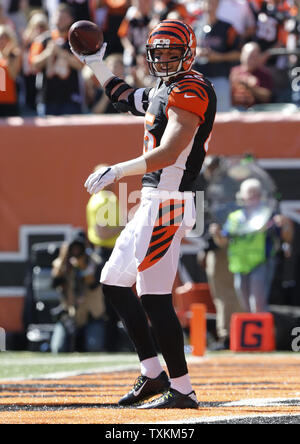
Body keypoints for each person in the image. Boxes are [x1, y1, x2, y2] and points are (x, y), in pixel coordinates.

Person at [71, 19, 216, 408]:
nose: (165, 60)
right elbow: (124, 96)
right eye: (159, 54)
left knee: (154, 297)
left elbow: (170, 152)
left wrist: (116, 170)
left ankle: (183, 389)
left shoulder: (193, 88)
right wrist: (96, 62)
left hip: (171, 200)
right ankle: (153, 373)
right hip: (152, 201)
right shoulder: (163, 89)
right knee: (114, 281)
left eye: (172, 53)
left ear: (188, 53)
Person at [210, 178, 294, 313]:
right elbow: (223, 241)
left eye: (256, 193)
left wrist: (286, 224)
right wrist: (217, 234)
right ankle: (252, 332)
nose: (252, 197)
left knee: (258, 305)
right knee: (245, 307)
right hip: (240, 266)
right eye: (249, 193)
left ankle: (262, 333)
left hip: (260, 263)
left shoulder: (268, 214)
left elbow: (285, 237)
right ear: (242, 196)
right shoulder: (235, 217)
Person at [86, 164, 123, 351]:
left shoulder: (96, 199)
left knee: (111, 302)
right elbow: (103, 233)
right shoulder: (105, 199)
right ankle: (111, 343)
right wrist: (126, 225)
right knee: (114, 302)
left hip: (103, 252)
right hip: (107, 253)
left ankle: (111, 342)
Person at [50, 230, 106, 353]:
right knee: (58, 348)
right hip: (69, 317)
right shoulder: (64, 264)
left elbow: (92, 285)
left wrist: (83, 266)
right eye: (73, 248)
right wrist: (63, 258)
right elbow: (54, 283)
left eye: (79, 247)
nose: (76, 251)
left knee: (94, 347)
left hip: (91, 317)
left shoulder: (95, 261)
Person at [29, 4, 83, 116]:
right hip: (47, 98)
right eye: (58, 17)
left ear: (70, 19)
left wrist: (62, 54)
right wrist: (48, 52)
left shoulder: (76, 40)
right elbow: (33, 65)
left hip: (70, 98)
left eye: (64, 18)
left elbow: (81, 65)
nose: (60, 21)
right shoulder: (42, 40)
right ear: (53, 18)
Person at [193, 0, 241, 112]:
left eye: (213, 2)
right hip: (198, 79)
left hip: (220, 78)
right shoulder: (195, 27)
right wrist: (197, 52)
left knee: (221, 117)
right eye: (207, 2)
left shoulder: (228, 27)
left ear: (218, 4)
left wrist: (218, 57)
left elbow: (238, 54)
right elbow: (186, 50)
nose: (210, 5)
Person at [230, 41, 274, 109]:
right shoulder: (234, 72)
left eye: (253, 56)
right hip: (234, 111)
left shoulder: (264, 73)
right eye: (248, 56)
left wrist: (249, 87)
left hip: (256, 111)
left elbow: (267, 97)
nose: (250, 59)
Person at [0, 24, 21, 116]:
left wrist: (6, 57)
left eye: (4, 37)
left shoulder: (14, 54)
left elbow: (13, 75)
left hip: (8, 100)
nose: (1, 40)